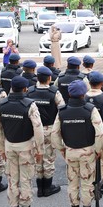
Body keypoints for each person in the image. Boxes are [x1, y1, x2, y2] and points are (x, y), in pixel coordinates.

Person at [51, 80, 103, 207]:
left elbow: (54, 133)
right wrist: (98, 149)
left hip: (70, 150)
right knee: (87, 184)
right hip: (88, 151)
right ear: (84, 93)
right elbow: (100, 133)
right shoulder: (90, 109)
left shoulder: (62, 111)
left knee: (72, 184)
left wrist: (61, 148)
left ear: (69, 93)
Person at [0, 76, 44, 207]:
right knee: (25, 180)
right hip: (26, 147)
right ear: (25, 89)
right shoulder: (30, 105)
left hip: (9, 147)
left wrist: (0, 148)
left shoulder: (2, 105)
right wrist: (40, 149)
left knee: (12, 181)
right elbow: (38, 128)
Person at [27, 66, 65, 197]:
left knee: (38, 156)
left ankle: (40, 188)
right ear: (49, 78)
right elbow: (62, 110)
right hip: (49, 129)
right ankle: (47, 188)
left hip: (34, 129)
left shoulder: (30, 91)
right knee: (48, 158)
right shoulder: (55, 92)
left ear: (37, 78)